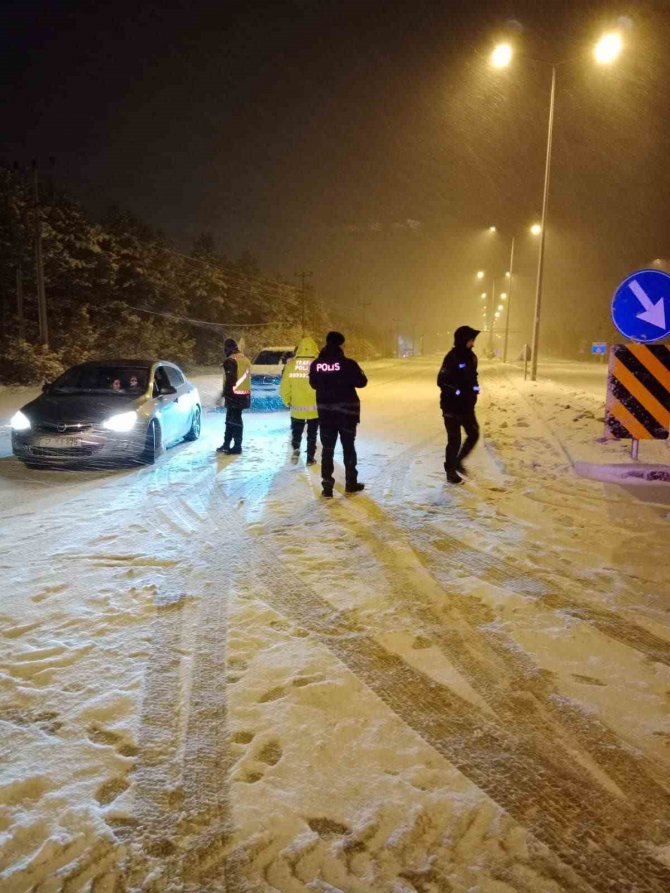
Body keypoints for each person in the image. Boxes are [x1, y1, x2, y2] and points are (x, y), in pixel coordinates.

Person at [309, 331, 367, 497]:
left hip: (326, 414)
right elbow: (362, 382)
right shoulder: (348, 364)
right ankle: (351, 483)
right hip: (347, 414)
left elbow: (313, 384)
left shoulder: (316, 365)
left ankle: (327, 487)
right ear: (340, 345)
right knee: (348, 448)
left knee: (327, 450)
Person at [437, 325, 481, 484]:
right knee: (454, 440)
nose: (473, 344)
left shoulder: (472, 357)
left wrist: (475, 390)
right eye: (471, 340)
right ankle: (450, 471)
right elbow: (441, 381)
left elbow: (473, 377)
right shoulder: (452, 357)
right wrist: (457, 392)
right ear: (463, 340)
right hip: (451, 406)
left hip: (467, 406)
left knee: (474, 433)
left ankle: (458, 462)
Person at [279, 335, 320, 465]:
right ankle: (310, 458)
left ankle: (296, 447)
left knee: (296, 431)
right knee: (312, 434)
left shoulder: (291, 365)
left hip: (297, 407)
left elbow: (284, 386)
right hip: (315, 408)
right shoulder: (319, 365)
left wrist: (287, 401)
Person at [217, 338, 251, 455]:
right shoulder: (245, 359)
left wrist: (225, 394)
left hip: (233, 395)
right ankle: (228, 445)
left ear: (227, 349)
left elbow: (230, 380)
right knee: (233, 420)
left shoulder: (230, 360)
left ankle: (236, 446)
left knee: (232, 421)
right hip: (243, 394)